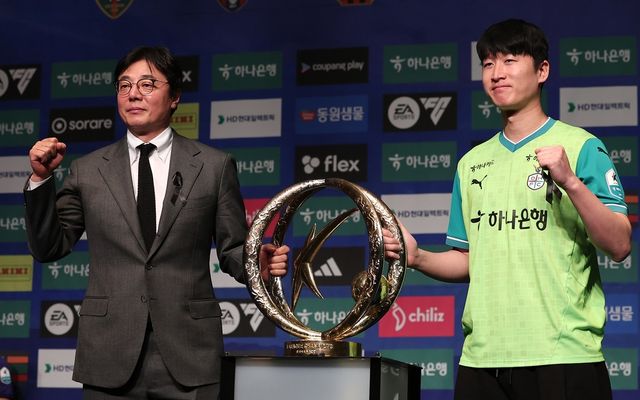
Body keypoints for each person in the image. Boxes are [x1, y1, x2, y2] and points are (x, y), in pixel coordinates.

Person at [384, 19, 631, 400]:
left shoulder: (581, 147)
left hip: (563, 355)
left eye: (510, 60)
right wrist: (417, 258)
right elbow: (469, 260)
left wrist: (570, 181)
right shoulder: (471, 164)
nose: (497, 73)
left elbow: (619, 244)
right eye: (488, 64)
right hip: (482, 358)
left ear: (542, 70)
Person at [24, 46, 289, 400]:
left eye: (147, 84)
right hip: (109, 354)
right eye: (124, 85)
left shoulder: (213, 166)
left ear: (174, 96)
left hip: (190, 353)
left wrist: (257, 264)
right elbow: (48, 247)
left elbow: (233, 250)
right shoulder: (87, 170)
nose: (133, 94)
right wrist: (41, 180)